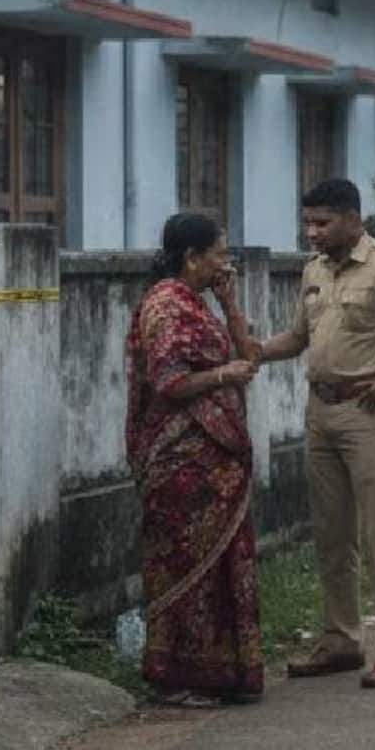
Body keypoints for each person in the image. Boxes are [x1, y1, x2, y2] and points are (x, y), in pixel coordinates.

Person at [257, 178, 375, 689]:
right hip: (320, 412)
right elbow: (298, 338)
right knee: (331, 533)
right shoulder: (314, 270)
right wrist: (251, 350)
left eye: (322, 223)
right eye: (308, 223)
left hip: (369, 413)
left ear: (352, 218)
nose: (312, 233)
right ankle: (342, 639)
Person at [123, 213, 265, 708]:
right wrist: (223, 376)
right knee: (186, 568)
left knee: (224, 565)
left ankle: (225, 672)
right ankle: (178, 676)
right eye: (221, 254)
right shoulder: (166, 304)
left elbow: (250, 357)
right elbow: (169, 381)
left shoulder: (201, 305)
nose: (227, 264)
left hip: (218, 459)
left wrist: (229, 304)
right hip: (180, 461)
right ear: (192, 257)